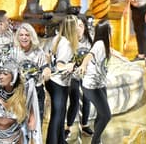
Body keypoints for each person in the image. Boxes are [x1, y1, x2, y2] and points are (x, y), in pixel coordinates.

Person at [0, 56, 41, 144]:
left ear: (14, 76)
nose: (0, 76)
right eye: (0, 73)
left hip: (16, 139)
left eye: (5, 74)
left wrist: (32, 139)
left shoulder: (23, 94)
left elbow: (32, 120)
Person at [47, 15, 81, 144]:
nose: (79, 27)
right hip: (58, 83)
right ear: (72, 28)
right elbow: (60, 65)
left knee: (61, 113)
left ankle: (60, 140)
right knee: (57, 115)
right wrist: (69, 66)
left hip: (55, 81)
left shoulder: (58, 38)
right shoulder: (66, 44)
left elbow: (49, 56)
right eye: (77, 25)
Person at [8, 23, 51, 126]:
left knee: (36, 125)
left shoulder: (38, 52)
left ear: (31, 36)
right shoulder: (14, 51)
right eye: (21, 35)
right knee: (19, 125)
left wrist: (46, 71)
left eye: (27, 35)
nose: (24, 37)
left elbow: (45, 67)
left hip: (36, 91)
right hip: (19, 92)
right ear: (17, 37)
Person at [79, 20, 113, 144]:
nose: (112, 31)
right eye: (110, 29)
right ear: (106, 31)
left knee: (101, 113)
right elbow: (89, 55)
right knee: (106, 115)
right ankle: (95, 141)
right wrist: (83, 65)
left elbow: (111, 52)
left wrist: (123, 59)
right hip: (92, 86)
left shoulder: (104, 44)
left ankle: (97, 140)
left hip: (100, 84)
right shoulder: (99, 44)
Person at [66, 16, 92, 138]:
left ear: (85, 27)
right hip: (73, 77)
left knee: (87, 100)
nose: (78, 28)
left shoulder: (90, 40)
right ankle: (68, 127)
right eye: (76, 26)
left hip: (87, 76)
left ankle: (85, 126)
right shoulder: (68, 42)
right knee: (75, 100)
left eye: (81, 26)